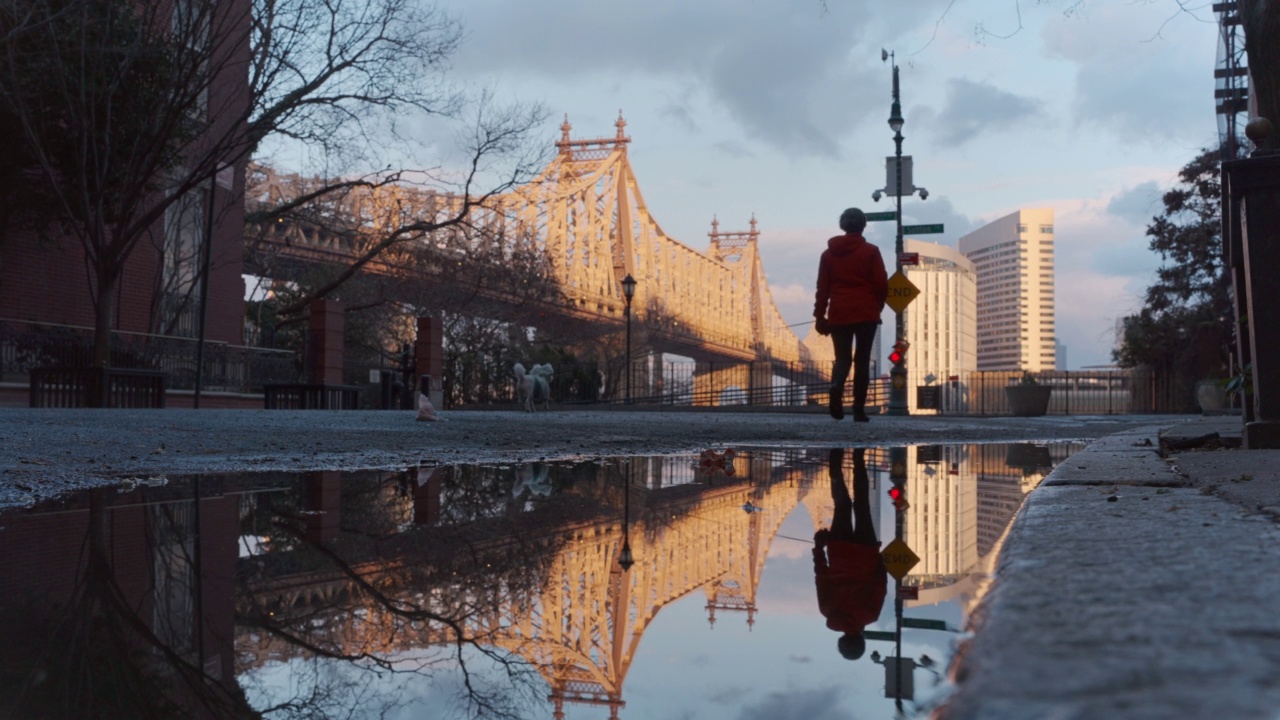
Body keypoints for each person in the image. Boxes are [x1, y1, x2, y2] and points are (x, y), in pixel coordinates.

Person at [813, 207, 888, 421]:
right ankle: (858, 409)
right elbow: (881, 283)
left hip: (839, 312)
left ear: (843, 225)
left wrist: (820, 316)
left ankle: (837, 385)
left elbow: (822, 288)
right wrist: (878, 305)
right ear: (863, 226)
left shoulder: (828, 254)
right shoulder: (871, 251)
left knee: (842, 359)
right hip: (866, 313)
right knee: (862, 361)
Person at [813, 447, 887, 661]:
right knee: (842, 505)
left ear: (862, 640)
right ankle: (835, 469)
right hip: (839, 550)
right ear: (841, 641)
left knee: (862, 504)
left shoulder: (870, 615)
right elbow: (821, 577)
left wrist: (878, 557)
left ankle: (858, 457)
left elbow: (880, 583)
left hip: (865, 552)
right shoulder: (828, 612)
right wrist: (819, 547)